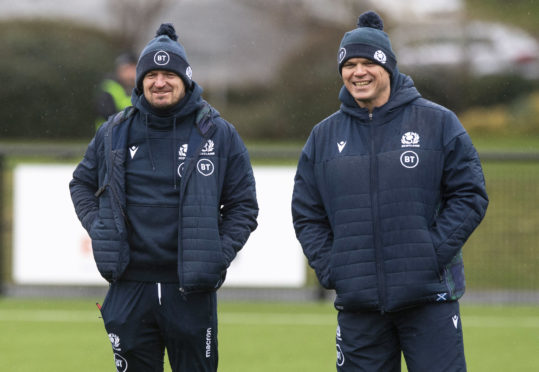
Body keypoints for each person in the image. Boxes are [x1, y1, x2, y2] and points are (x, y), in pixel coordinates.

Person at [291, 11, 488, 372]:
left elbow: (470, 195)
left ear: (389, 67)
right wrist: (334, 267)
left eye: (368, 62)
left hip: (429, 300)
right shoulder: (323, 136)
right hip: (359, 308)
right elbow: (307, 213)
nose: (358, 72)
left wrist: (430, 254)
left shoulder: (438, 123)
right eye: (349, 64)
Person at [70, 23, 258, 372]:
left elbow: (243, 205)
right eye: (151, 74)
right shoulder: (114, 131)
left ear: (185, 79)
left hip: (190, 290)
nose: (159, 82)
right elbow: (81, 183)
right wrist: (101, 228)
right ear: (139, 81)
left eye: (168, 73)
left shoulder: (218, 132)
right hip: (129, 286)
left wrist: (218, 254)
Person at [95, 51, 137, 129]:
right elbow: (109, 115)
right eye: (126, 69)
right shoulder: (109, 87)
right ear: (118, 70)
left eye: (132, 69)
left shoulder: (140, 87)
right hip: (107, 135)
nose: (130, 73)